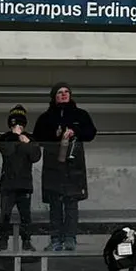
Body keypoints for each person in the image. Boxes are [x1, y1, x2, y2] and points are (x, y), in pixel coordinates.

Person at [34, 83, 97, 251]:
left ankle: (70, 238)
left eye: (66, 92)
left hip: (73, 166)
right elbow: (38, 137)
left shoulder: (81, 115)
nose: (64, 95)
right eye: (60, 92)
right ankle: (55, 239)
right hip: (53, 167)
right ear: (54, 97)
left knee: (71, 203)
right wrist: (54, 136)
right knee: (55, 204)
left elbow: (91, 133)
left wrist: (75, 131)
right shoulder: (45, 118)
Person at [0, 105, 42, 251]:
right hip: (8, 184)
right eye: (16, 124)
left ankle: (26, 241)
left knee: (26, 216)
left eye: (21, 124)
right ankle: (3, 239)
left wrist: (27, 143)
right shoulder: (5, 138)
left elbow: (35, 157)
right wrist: (16, 137)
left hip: (24, 183)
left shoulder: (30, 138)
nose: (18, 126)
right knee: (5, 215)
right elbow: (7, 152)